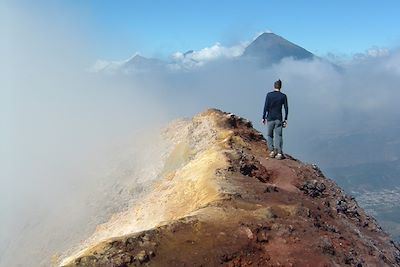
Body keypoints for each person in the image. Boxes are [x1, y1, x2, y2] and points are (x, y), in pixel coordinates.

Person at [262, 79, 288, 160]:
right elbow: (286, 108)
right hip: (278, 118)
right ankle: (279, 153)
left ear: (274, 86)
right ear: (280, 87)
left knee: (270, 135)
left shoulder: (269, 95)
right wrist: (285, 119)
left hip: (270, 118)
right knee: (279, 135)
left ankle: (272, 151)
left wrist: (263, 117)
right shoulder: (283, 96)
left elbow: (265, 107)